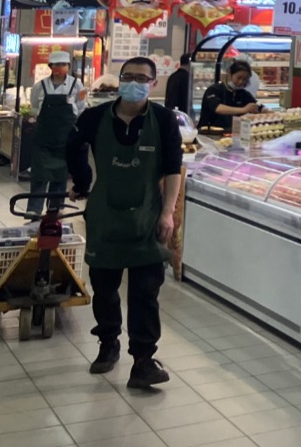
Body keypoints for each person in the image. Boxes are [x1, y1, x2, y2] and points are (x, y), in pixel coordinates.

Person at [66, 56, 182, 389]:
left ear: (153, 83)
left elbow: (173, 168)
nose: (134, 83)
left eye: (142, 78)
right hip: (105, 216)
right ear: (119, 80)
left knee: (146, 292)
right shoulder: (94, 117)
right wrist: (82, 181)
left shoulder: (163, 120)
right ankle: (108, 343)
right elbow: (73, 147)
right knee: (104, 288)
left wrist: (168, 212)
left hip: (148, 217)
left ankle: (143, 361)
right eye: (128, 76)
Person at [27, 51, 86, 215]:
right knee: (39, 174)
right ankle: (34, 209)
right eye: (56, 65)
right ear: (50, 67)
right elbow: (34, 107)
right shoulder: (40, 86)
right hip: (44, 138)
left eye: (63, 64)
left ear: (69, 66)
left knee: (60, 175)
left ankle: (55, 208)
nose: (60, 67)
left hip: (65, 138)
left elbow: (81, 108)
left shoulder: (77, 85)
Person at [197, 59, 260, 133]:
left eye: (245, 79)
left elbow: (257, 105)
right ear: (230, 73)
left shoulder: (243, 93)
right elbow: (218, 108)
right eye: (239, 78)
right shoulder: (214, 89)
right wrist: (244, 109)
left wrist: (265, 110)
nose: (241, 81)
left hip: (231, 133)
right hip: (209, 133)